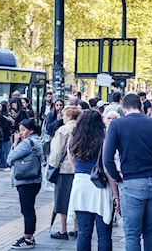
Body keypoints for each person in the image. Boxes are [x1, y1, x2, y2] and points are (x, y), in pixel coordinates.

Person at [103, 93, 152, 251]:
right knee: (151, 230)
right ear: (141, 107)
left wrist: (118, 179)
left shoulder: (117, 125)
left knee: (132, 233)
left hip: (132, 182)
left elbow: (107, 160)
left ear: (124, 109)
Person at [67, 110, 119, 251]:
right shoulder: (104, 139)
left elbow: (71, 159)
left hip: (80, 185)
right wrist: (116, 195)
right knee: (104, 233)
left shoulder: (74, 138)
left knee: (84, 231)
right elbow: (107, 167)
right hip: (100, 185)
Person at [7, 119, 43, 249]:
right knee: (29, 208)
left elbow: (9, 158)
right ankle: (29, 235)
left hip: (25, 180)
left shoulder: (26, 143)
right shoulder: (38, 140)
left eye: (23, 130)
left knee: (27, 209)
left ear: (31, 130)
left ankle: (28, 238)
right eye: (19, 130)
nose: (21, 133)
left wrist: (16, 141)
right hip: (35, 179)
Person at [49, 106, 81, 240]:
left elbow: (57, 152)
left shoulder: (63, 130)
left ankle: (63, 230)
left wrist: (53, 166)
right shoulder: (81, 129)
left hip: (65, 169)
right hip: (79, 169)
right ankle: (76, 227)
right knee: (76, 199)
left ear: (68, 116)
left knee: (62, 200)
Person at [41, 99, 65, 192]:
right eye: (57, 105)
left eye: (61, 105)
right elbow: (49, 128)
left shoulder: (65, 116)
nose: (59, 107)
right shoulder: (51, 115)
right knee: (50, 161)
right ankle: (47, 182)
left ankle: (52, 181)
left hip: (59, 140)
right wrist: (57, 121)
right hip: (50, 140)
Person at [0, 101, 12, 171]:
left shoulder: (5, 116)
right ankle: (2, 164)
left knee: (6, 150)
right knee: (0, 151)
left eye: (0, 107)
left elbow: (7, 126)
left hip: (4, 136)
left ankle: (8, 164)